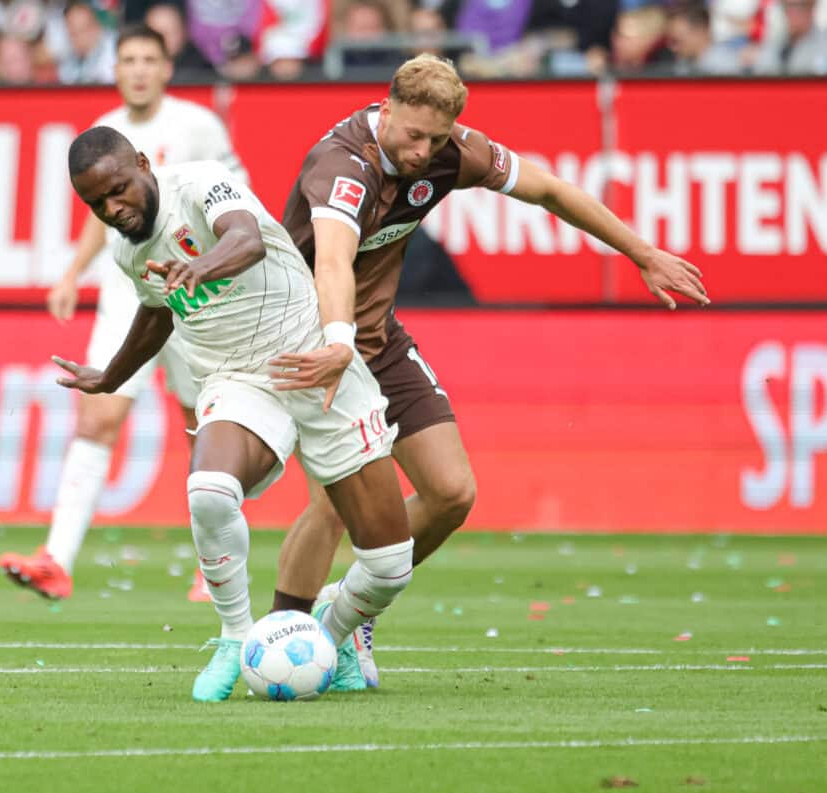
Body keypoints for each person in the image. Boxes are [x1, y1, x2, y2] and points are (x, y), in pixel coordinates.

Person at [271, 53, 710, 688]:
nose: (424, 152)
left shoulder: (452, 151)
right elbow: (333, 262)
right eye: (413, 134)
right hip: (318, 343)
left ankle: (343, 621)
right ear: (385, 109)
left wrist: (641, 252)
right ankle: (279, 636)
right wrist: (338, 343)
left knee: (453, 493)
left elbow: (552, 190)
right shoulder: (343, 167)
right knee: (335, 506)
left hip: (379, 342)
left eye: (438, 138)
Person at [54, 126, 414, 702]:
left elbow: (244, 239)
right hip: (238, 380)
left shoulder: (202, 184)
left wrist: (202, 268)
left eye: (119, 190)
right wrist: (111, 376)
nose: (113, 209)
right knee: (209, 489)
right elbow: (157, 314)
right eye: (96, 203)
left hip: (314, 360)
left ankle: (333, 629)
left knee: (391, 566)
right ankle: (234, 637)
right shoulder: (126, 250)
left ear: (143, 163)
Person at [0, 25, 247, 601]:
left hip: (191, 292)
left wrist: (209, 266)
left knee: (202, 431)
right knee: (97, 418)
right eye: (128, 59)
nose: (137, 69)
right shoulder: (105, 133)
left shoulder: (197, 126)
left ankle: (215, 566)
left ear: (166, 67)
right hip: (127, 292)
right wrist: (71, 273)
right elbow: (101, 214)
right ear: (115, 69)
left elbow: (233, 195)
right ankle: (56, 559)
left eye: (148, 59)